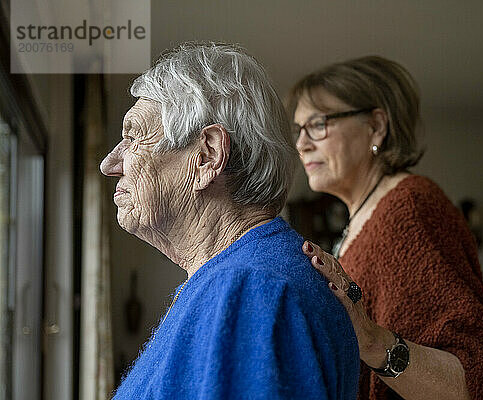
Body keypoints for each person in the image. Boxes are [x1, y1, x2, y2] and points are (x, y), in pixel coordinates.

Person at [100, 42, 359, 400]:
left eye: (133, 137)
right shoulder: (235, 280)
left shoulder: (250, 289)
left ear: (208, 156)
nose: (110, 165)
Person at [288, 56, 483, 400]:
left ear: (376, 126)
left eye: (318, 124)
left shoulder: (411, 206)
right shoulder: (361, 219)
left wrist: (371, 341)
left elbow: (472, 380)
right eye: (298, 130)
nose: (302, 144)